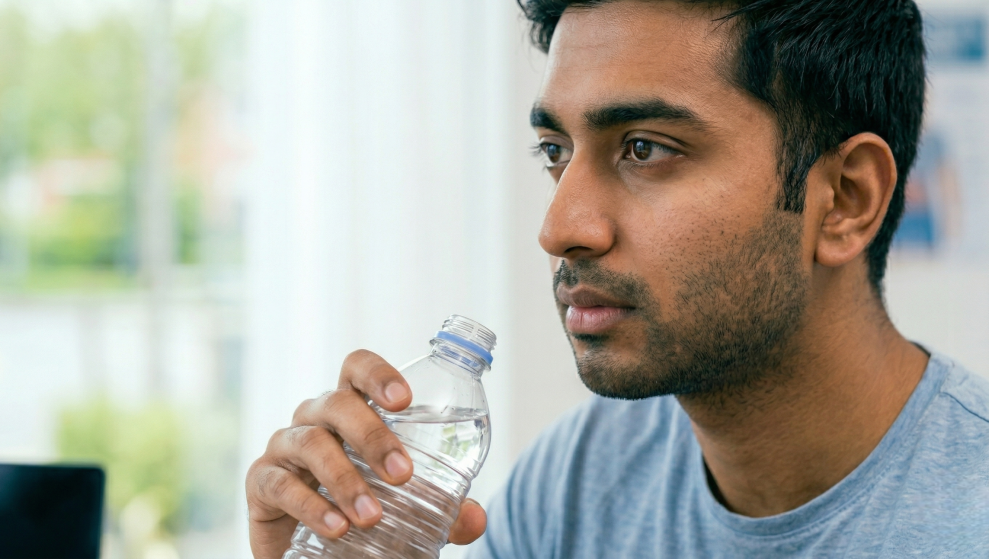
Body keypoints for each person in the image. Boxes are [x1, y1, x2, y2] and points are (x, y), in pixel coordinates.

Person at [245, 0, 989, 557]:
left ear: (846, 200)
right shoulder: (571, 488)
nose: (559, 228)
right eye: (555, 152)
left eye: (644, 148)